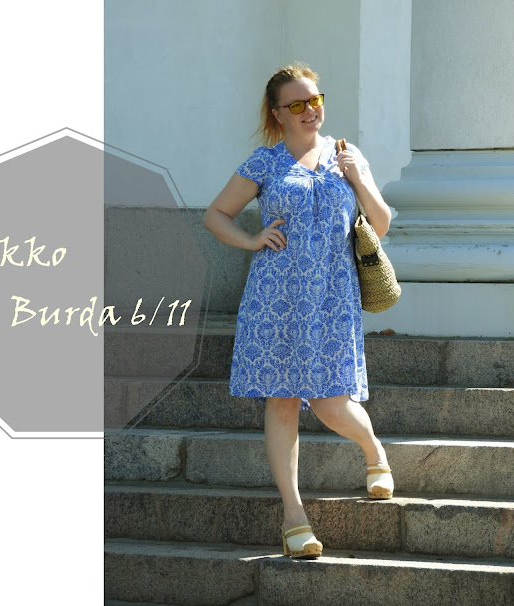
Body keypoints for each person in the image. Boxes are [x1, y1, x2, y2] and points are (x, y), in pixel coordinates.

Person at [203, 62, 394, 559]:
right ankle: (294, 517)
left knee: (331, 403)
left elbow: (380, 223)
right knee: (283, 401)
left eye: (315, 100)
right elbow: (215, 214)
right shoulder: (264, 162)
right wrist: (251, 239)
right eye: (297, 104)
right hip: (276, 297)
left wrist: (359, 178)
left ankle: (373, 452)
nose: (310, 110)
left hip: (332, 295)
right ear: (277, 113)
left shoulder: (345, 155)